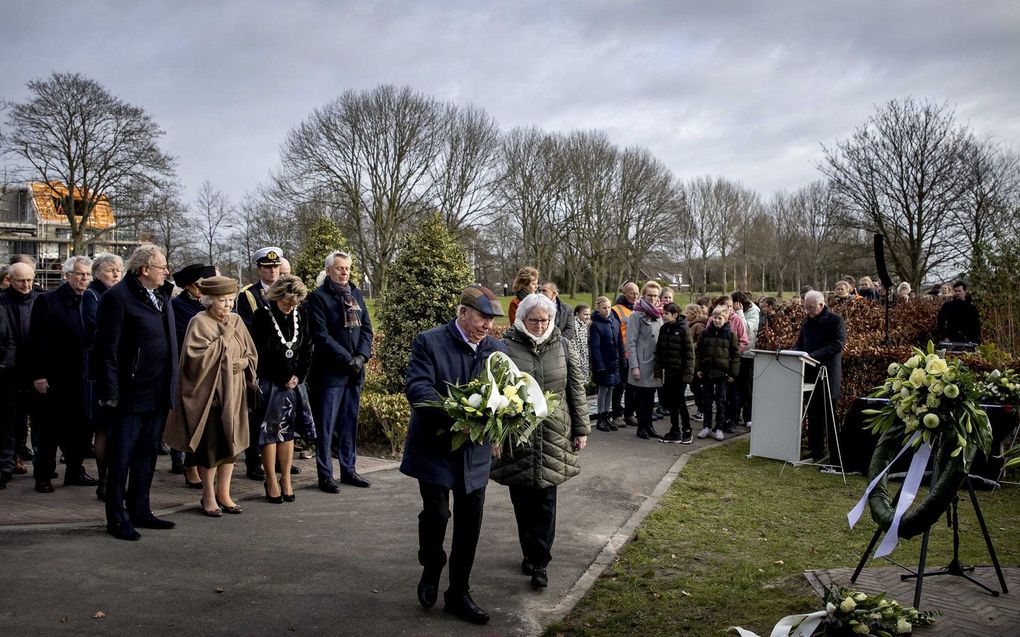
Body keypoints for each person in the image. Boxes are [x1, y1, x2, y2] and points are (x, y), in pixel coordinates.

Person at [400, 285, 508, 625]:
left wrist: (498, 428)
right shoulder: (429, 341)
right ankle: (432, 564)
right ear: (462, 313)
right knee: (436, 514)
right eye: (482, 317)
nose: (487, 325)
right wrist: (457, 416)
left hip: (474, 454)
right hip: (434, 447)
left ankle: (458, 593)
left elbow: (507, 393)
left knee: (469, 522)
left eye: (491, 319)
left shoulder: (496, 349)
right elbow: (418, 388)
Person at [491, 292, 589, 589]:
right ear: (521, 319)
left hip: (553, 431)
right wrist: (495, 434)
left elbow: (576, 388)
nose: (538, 324)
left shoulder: (563, 345)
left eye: (544, 320)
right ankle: (528, 552)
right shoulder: (504, 346)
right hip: (517, 433)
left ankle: (540, 562)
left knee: (546, 500)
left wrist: (582, 428)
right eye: (533, 320)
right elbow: (494, 391)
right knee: (521, 499)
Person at [95, 245, 178, 541]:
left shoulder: (163, 294)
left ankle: (140, 508)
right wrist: (112, 393)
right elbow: (106, 350)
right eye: (161, 267)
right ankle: (116, 517)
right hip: (130, 394)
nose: (166, 271)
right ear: (145, 269)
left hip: (157, 391)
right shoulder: (117, 298)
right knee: (121, 458)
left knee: (147, 455)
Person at [165, 276, 258, 517]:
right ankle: (208, 494)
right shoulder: (200, 322)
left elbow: (250, 352)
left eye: (230, 300)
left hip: (234, 395)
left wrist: (243, 362)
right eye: (222, 301)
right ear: (208, 301)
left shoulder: (237, 321)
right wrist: (226, 347)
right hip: (210, 398)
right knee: (210, 448)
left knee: (231, 445)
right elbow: (195, 360)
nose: (227, 305)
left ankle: (224, 493)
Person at [307, 250, 373, 492]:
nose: (344, 272)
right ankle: (325, 474)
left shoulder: (355, 294)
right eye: (339, 268)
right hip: (330, 372)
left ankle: (349, 469)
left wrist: (362, 356)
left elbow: (366, 328)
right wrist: (348, 359)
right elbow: (321, 336)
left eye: (347, 268)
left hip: (355, 371)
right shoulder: (318, 297)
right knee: (326, 426)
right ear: (328, 271)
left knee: (349, 422)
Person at [29, 255, 95, 493]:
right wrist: (39, 374)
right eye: (79, 274)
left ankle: (75, 471)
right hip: (55, 375)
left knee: (79, 429)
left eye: (88, 274)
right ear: (67, 276)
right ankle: (43, 476)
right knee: (49, 429)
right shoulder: (48, 301)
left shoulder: (93, 300)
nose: (84, 278)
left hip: (83, 375)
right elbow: (36, 340)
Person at [250, 275, 315, 503]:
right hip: (271, 383)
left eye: (294, 304)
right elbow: (261, 353)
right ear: (277, 297)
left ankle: (286, 478)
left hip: (294, 384)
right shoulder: (262, 317)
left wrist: (299, 375)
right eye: (286, 303)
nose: (290, 307)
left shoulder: (302, 314)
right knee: (270, 434)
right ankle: (271, 480)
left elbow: (307, 347)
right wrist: (283, 376)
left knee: (287, 434)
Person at [168, 263, 217, 485]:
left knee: (206, 421)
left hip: (210, 369)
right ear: (190, 286)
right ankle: (187, 463)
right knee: (190, 417)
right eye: (200, 285)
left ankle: (197, 462)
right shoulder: (178, 306)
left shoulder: (208, 306)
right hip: (188, 369)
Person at [237, 246, 283, 480]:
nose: (273, 271)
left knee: (280, 414)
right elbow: (247, 330)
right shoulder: (248, 295)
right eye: (267, 267)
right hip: (260, 361)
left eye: (275, 266)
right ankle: (253, 462)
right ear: (259, 269)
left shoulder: (286, 291)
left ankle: (276, 461)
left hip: (282, 364)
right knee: (257, 414)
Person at [81, 253, 123, 500]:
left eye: (119, 269)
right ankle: (104, 480)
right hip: (100, 369)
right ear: (97, 273)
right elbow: (95, 327)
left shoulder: (120, 295)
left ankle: (115, 479)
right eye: (110, 270)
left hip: (119, 368)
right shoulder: (92, 295)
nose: (116, 274)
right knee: (104, 427)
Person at [794, 290, 847, 462]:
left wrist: (813, 355)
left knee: (830, 414)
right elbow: (800, 344)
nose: (808, 311)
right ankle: (816, 450)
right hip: (809, 372)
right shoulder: (806, 323)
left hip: (828, 373)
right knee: (813, 413)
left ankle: (835, 453)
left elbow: (838, 344)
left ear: (822, 305)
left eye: (811, 307)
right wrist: (793, 354)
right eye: (806, 307)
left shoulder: (836, 320)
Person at [0, 261, 39, 478]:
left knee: (32, 415)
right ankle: (13, 456)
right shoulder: (3, 302)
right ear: (10, 281)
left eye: (29, 280)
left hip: (34, 364)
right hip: (11, 367)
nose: (26, 285)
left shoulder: (40, 299)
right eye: (20, 281)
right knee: (14, 415)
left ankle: (23, 451)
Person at [695, 306, 740, 441]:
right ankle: (706, 426)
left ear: (725, 319)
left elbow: (735, 356)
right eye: (714, 318)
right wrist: (698, 369)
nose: (717, 320)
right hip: (707, 372)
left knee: (721, 401)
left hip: (722, 373)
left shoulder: (730, 335)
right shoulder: (706, 333)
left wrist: (733, 373)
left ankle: (719, 427)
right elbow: (699, 352)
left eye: (720, 318)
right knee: (707, 400)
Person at [626, 281, 664, 440]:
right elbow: (631, 342)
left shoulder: (660, 314)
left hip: (655, 363)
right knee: (642, 397)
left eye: (655, 295)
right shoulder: (636, 315)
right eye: (650, 295)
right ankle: (642, 427)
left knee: (651, 396)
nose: (653, 298)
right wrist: (634, 366)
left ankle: (649, 426)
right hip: (642, 363)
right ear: (643, 295)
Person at [654, 302, 695, 443]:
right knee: (671, 402)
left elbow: (689, 354)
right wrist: (658, 370)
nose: (663, 316)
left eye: (666, 313)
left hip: (680, 373)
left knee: (680, 401)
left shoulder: (684, 329)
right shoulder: (664, 329)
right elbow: (659, 351)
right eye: (663, 313)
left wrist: (688, 375)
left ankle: (687, 430)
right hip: (668, 372)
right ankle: (675, 430)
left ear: (674, 315)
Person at [589, 296, 622, 432]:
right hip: (603, 361)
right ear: (598, 308)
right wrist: (599, 365)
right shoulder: (596, 324)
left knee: (611, 388)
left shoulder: (614, 322)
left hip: (614, 361)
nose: (607, 310)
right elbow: (595, 347)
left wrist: (622, 360)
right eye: (604, 308)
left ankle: (607, 415)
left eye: (609, 307)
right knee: (603, 389)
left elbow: (620, 342)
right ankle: (600, 417)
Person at [611, 281, 639, 428]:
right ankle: (616, 415)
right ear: (624, 293)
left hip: (634, 354)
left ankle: (629, 414)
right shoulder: (616, 310)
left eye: (636, 293)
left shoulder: (638, 308)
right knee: (619, 386)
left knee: (632, 387)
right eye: (632, 293)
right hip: (622, 354)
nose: (635, 296)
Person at [732, 291, 760, 429]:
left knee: (747, 388)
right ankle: (735, 416)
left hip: (748, 353)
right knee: (735, 387)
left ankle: (748, 416)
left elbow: (746, 329)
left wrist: (740, 313)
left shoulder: (754, 312)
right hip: (738, 354)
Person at [0, 294, 15, 488]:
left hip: (2, 375)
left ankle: (4, 468)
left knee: (5, 424)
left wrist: (5, 364)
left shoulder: (1, 309)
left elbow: (9, 340)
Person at [685, 303, 708, 422]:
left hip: (697, 360)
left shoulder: (698, 326)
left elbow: (701, 341)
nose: (685, 315)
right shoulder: (692, 325)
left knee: (696, 386)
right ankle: (701, 409)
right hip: (693, 358)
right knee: (694, 386)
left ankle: (702, 410)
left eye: (687, 313)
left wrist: (691, 347)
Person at [569, 303, 591, 383]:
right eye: (585, 314)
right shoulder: (574, 325)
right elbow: (574, 344)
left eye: (589, 314)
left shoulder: (584, 325)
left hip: (583, 359)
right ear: (577, 314)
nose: (588, 316)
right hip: (577, 361)